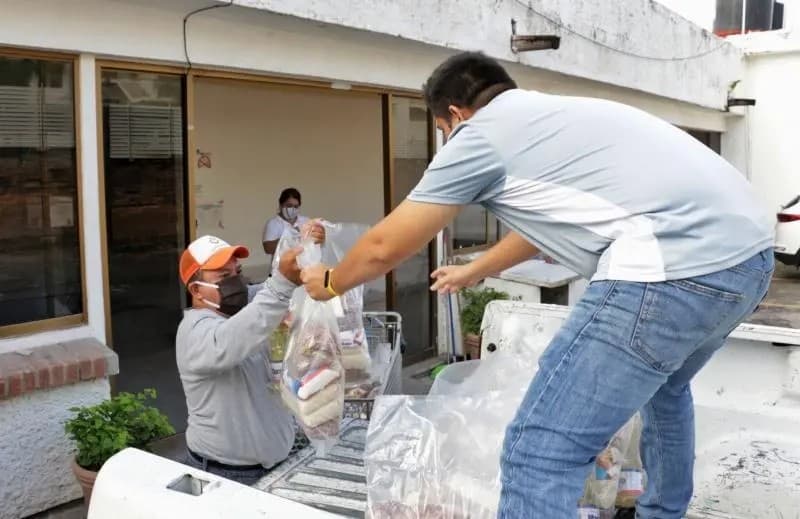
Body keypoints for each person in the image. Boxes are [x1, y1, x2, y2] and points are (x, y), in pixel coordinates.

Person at [300, 52, 774, 517]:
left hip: (667, 270)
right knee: (666, 392)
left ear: (454, 114)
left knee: (539, 451)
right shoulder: (557, 119)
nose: (448, 139)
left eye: (443, 131)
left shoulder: (477, 136)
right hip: (747, 261)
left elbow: (386, 244)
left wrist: (330, 282)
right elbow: (542, 222)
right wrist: (475, 268)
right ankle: (664, 512)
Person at [176, 225, 323, 485]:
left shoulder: (244, 307)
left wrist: (307, 248)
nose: (236, 282)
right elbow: (237, 336)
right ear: (196, 290)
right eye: (223, 275)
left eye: (238, 272)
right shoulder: (194, 333)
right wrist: (282, 284)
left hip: (277, 466)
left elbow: (277, 292)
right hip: (225, 476)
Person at [263, 188, 309, 265]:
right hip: (281, 270)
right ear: (281, 205)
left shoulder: (305, 221)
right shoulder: (273, 223)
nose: (293, 209)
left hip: (304, 267)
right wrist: (289, 237)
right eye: (289, 205)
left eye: (296, 206)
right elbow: (268, 248)